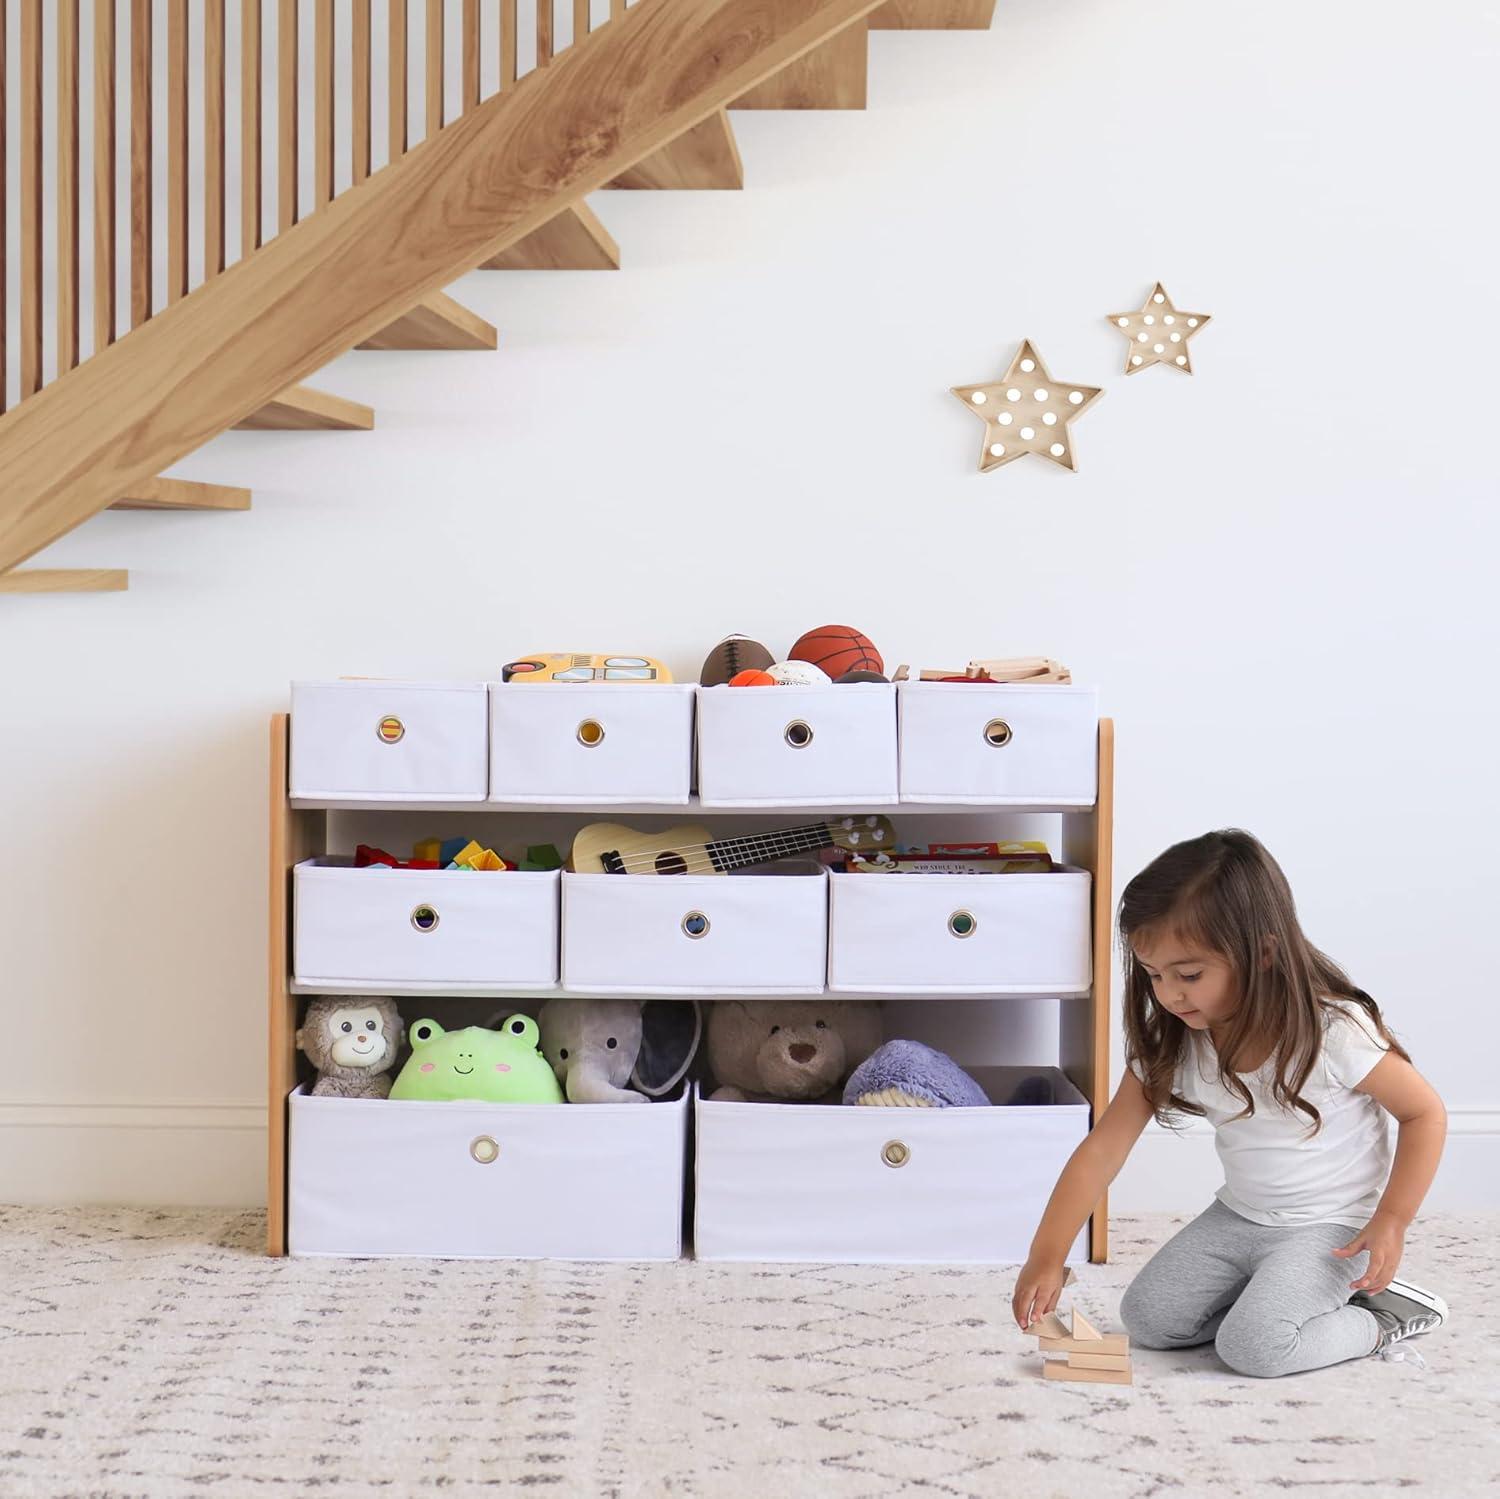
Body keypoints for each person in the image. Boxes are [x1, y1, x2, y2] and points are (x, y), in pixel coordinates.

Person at [1012, 829, 1448, 1377]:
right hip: (1238, 1216)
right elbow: (1103, 1149)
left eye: (1189, 975)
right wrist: (1046, 1255)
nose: (1170, 995)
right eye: (1153, 976)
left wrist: (1392, 1220)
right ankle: (1272, 1299)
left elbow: (1424, 1112)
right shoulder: (1175, 1040)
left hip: (1333, 1228)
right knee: (1149, 1321)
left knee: (1255, 1349)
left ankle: (1376, 1320)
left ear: (1262, 951)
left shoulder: (1332, 1031)